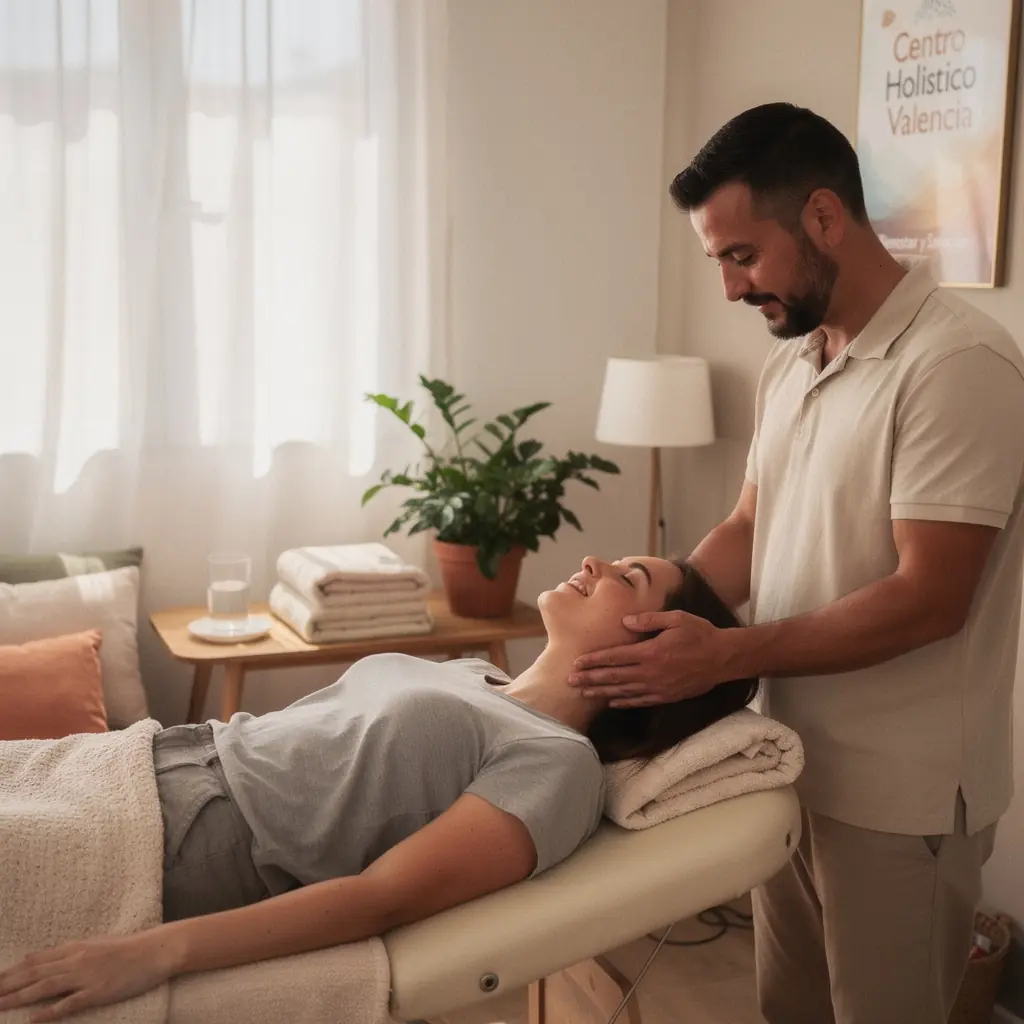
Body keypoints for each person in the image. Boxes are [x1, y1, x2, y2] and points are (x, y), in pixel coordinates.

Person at [570, 102, 1024, 1024]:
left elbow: (929, 598)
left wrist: (723, 656)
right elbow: (751, 524)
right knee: (791, 1011)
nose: (731, 288)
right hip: (785, 765)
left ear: (823, 216)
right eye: (720, 260)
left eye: (743, 255)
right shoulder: (795, 364)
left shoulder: (957, 364)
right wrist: (647, 602)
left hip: (901, 795)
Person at [0, 554, 757, 1021]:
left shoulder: (557, 765)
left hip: (195, 837)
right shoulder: (478, 675)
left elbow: (384, 896)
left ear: (658, 652)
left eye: (630, 578)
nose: (594, 562)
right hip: (146, 761)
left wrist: (153, 954)